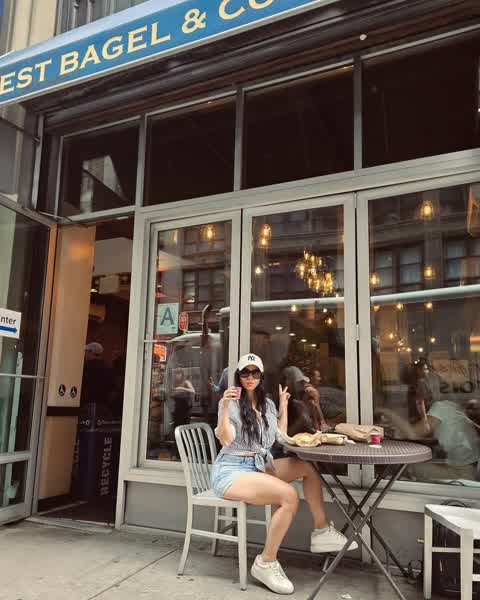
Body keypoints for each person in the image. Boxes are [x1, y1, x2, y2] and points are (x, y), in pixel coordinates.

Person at [212, 353, 356, 595]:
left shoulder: (267, 404)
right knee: (288, 495)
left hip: (258, 466)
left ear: (261, 376)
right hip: (232, 470)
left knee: (308, 467)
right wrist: (224, 407)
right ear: (239, 376)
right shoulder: (231, 403)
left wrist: (283, 406)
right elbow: (226, 439)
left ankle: (321, 530)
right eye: (245, 372)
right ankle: (265, 562)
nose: (249, 377)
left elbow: (279, 437)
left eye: (254, 372)